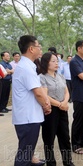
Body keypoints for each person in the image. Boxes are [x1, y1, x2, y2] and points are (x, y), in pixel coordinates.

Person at [12, 35, 51, 166]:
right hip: (28, 118)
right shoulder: (26, 68)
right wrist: (46, 105)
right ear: (31, 49)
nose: (40, 49)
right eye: (38, 46)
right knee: (24, 156)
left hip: (28, 116)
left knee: (27, 153)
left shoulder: (27, 66)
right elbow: (38, 93)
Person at [39, 53, 74, 165]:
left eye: (57, 61)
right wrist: (59, 104)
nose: (56, 63)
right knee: (49, 139)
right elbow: (45, 96)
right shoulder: (42, 77)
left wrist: (64, 102)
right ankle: (51, 163)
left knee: (65, 137)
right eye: (53, 61)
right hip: (50, 111)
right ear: (46, 62)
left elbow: (66, 92)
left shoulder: (60, 76)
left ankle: (68, 162)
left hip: (62, 109)